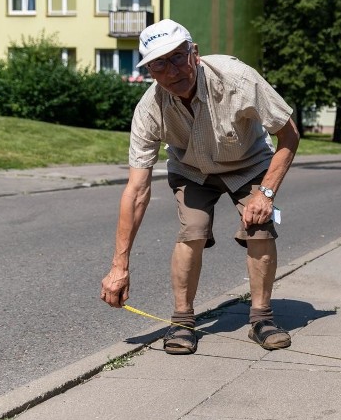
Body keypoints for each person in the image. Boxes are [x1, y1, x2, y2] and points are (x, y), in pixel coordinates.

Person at [100, 19, 300, 355]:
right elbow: (136, 190)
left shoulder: (238, 80)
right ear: (150, 71)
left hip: (249, 163)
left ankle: (262, 319)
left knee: (260, 226)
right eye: (159, 64)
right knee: (192, 229)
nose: (172, 71)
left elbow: (289, 134)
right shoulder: (150, 109)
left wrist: (266, 193)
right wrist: (119, 266)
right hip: (191, 168)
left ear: (195, 54)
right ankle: (183, 322)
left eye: (178, 57)